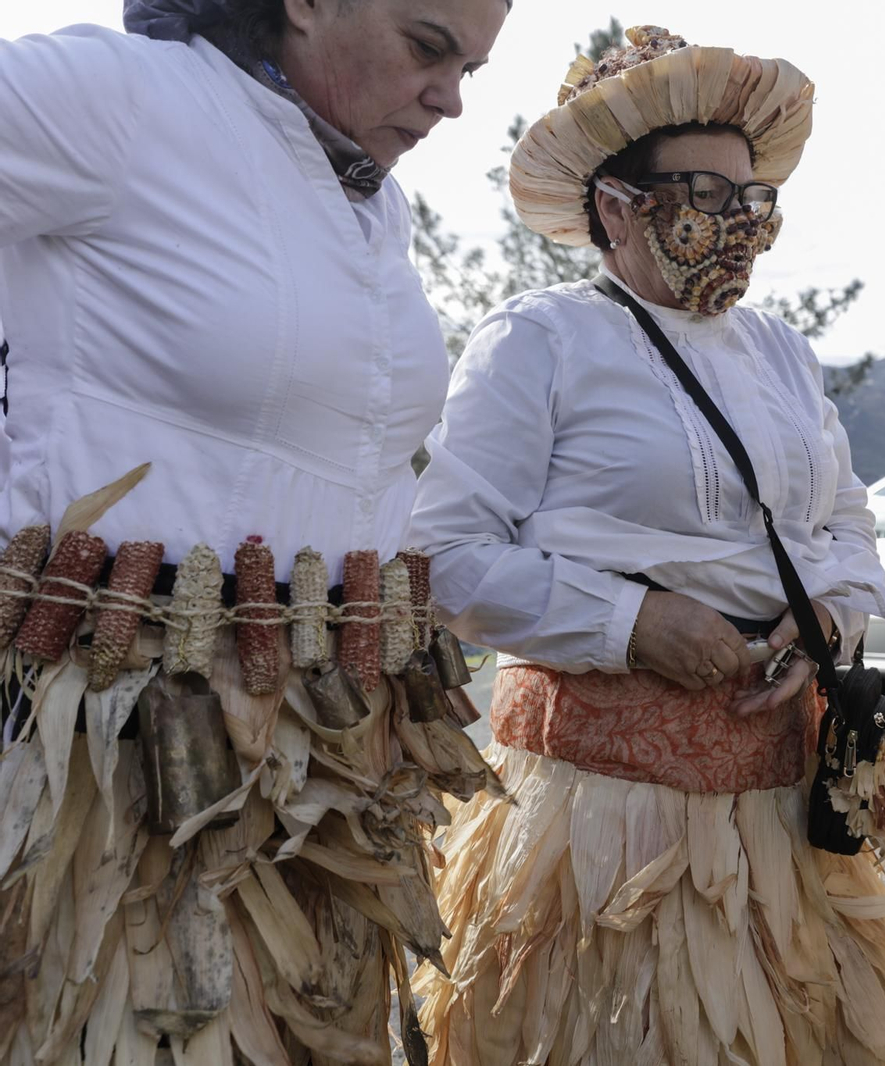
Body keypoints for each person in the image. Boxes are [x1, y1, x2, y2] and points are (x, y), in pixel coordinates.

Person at [407, 26, 885, 1064]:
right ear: (617, 205)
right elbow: (448, 556)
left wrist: (824, 613)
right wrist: (632, 624)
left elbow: (844, 522)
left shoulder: (783, 353)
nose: (741, 223)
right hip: (601, 817)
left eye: (755, 200)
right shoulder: (540, 341)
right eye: (708, 195)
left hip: (778, 804)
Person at [0, 1, 507, 1062]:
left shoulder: (378, 202)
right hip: (116, 763)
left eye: (468, 65)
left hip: (326, 764)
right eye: (428, 47)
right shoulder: (125, 96)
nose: (452, 99)